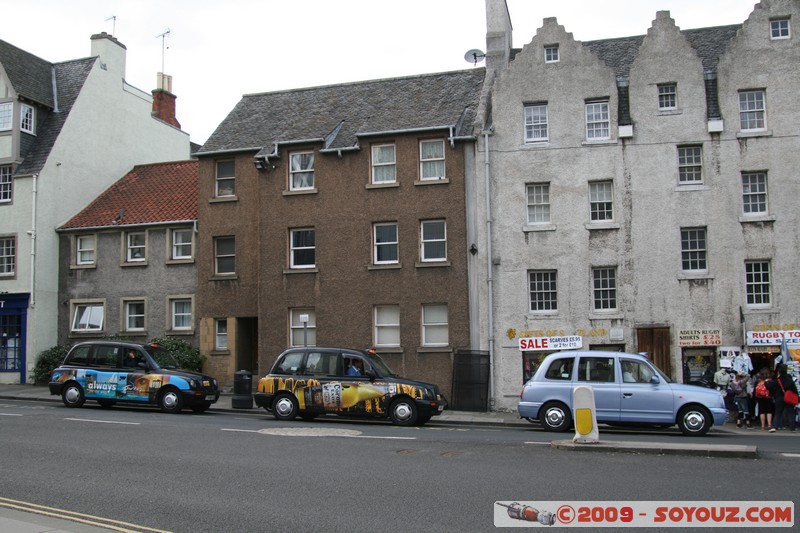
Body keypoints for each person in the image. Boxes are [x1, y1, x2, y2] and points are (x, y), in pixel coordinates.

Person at [770, 364, 798, 432]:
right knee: (790, 413)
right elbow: (794, 390)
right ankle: (792, 428)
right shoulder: (790, 380)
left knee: (778, 413)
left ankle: (775, 426)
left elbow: (770, 386)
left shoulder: (778, 380)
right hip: (789, 398)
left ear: (779, 372)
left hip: (779, 398)